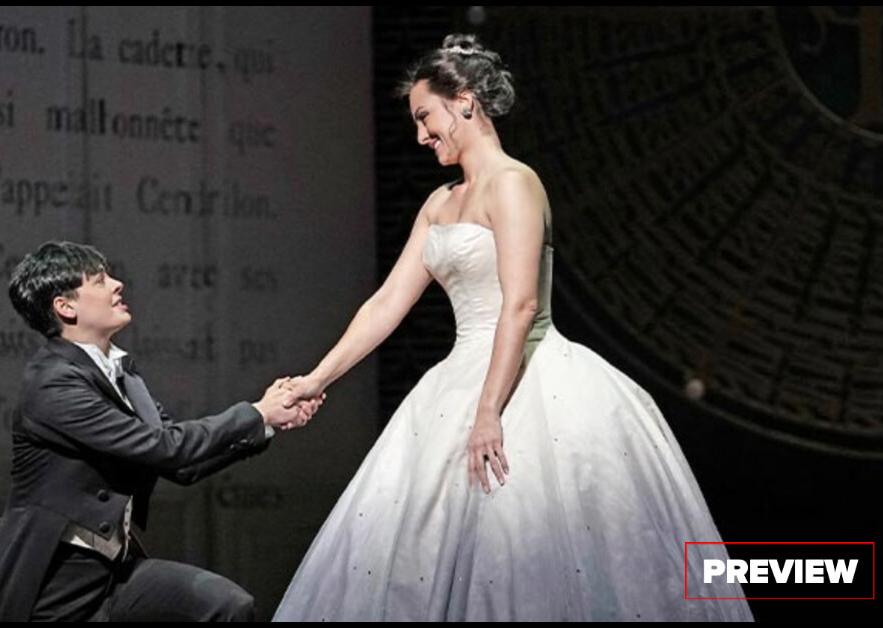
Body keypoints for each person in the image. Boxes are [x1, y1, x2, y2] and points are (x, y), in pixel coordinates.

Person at [272, 34, 753, 621]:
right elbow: (387, 304)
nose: (420, 135)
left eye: (425, 117)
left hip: (529, 376)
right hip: (456, 378)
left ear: (464, 102)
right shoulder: (439, 204)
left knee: (528, 548)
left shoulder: (515, 183)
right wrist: (316, 379)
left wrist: (488, 410)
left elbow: (520, 305)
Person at [0, 240, 322, 621]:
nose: (117, 284)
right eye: (100, 280)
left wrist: (267, 421)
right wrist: (257, 412)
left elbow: (182, 466)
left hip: (112, 573)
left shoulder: (123, 374)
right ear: (65, 307)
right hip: (51, 585)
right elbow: (165, 447)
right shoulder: (52, 383)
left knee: (229, 607)